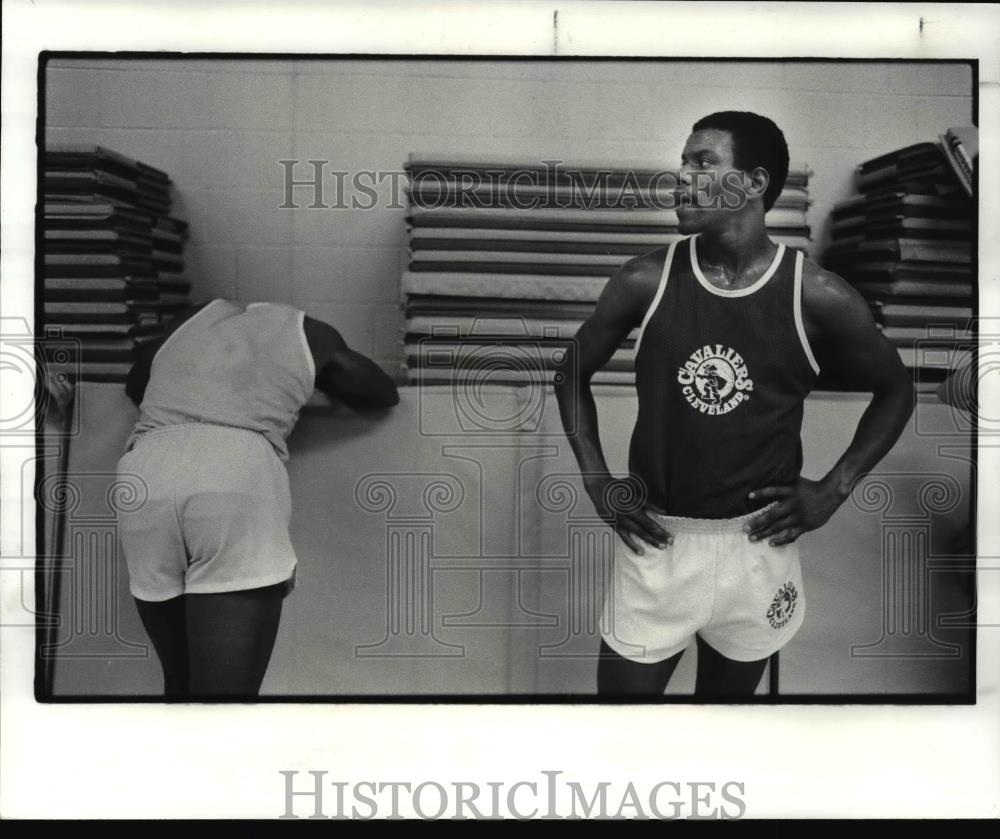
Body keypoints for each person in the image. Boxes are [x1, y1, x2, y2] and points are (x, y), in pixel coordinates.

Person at [553, 111, 916, 698]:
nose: (681, 176)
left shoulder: (817, 293)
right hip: (659, 545)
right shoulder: (644, 280)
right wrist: (596, 479)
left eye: (702, 162)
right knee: (619, 728)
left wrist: (835, 486)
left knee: (726, 724)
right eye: (683, 162)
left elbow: (897, 390)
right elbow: (570, 373)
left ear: (753, 182)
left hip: (757, 546)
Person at [118, 299, 399, 699]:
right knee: (226, 704)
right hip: (232, 473)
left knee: (179, 689)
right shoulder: (310, 334)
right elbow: (381, 393)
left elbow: (135, 385)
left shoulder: (187, 321)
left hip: (145, 474)